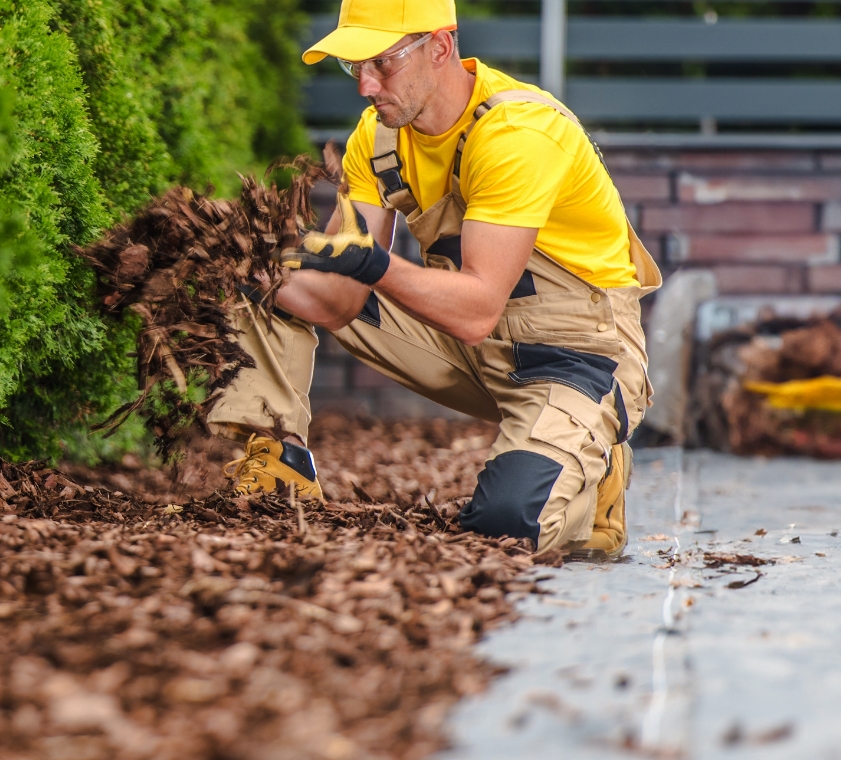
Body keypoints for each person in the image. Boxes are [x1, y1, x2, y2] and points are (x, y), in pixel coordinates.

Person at [211, 0, 661, 558]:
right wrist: (249, 267)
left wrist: (373, 264)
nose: (365, 86)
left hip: (575, 357)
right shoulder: (377, 139)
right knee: (276, 280)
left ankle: (597, 468)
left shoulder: (519, 134)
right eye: (354, 67)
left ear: (441, 47)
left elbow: (474, 310)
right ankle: (281, 462)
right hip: (469, 346)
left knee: (504, 528)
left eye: (382, 63)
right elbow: (337, 298)